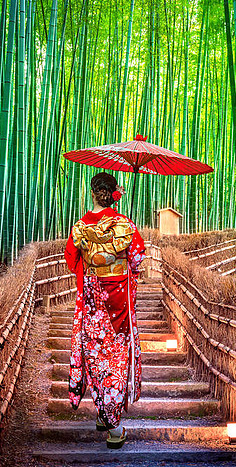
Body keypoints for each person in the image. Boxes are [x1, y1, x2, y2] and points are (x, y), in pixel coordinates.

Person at [63, 172, 145, 449]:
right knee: (116, 355)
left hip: (91, 298)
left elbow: (72, 260)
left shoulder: (80, 225)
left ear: (92, 192)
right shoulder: (124, 224)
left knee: (95, 351)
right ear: (114, 194)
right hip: (118, 299)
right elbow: (136, 257)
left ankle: (102, 411)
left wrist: (93, 266)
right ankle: (114, 427)